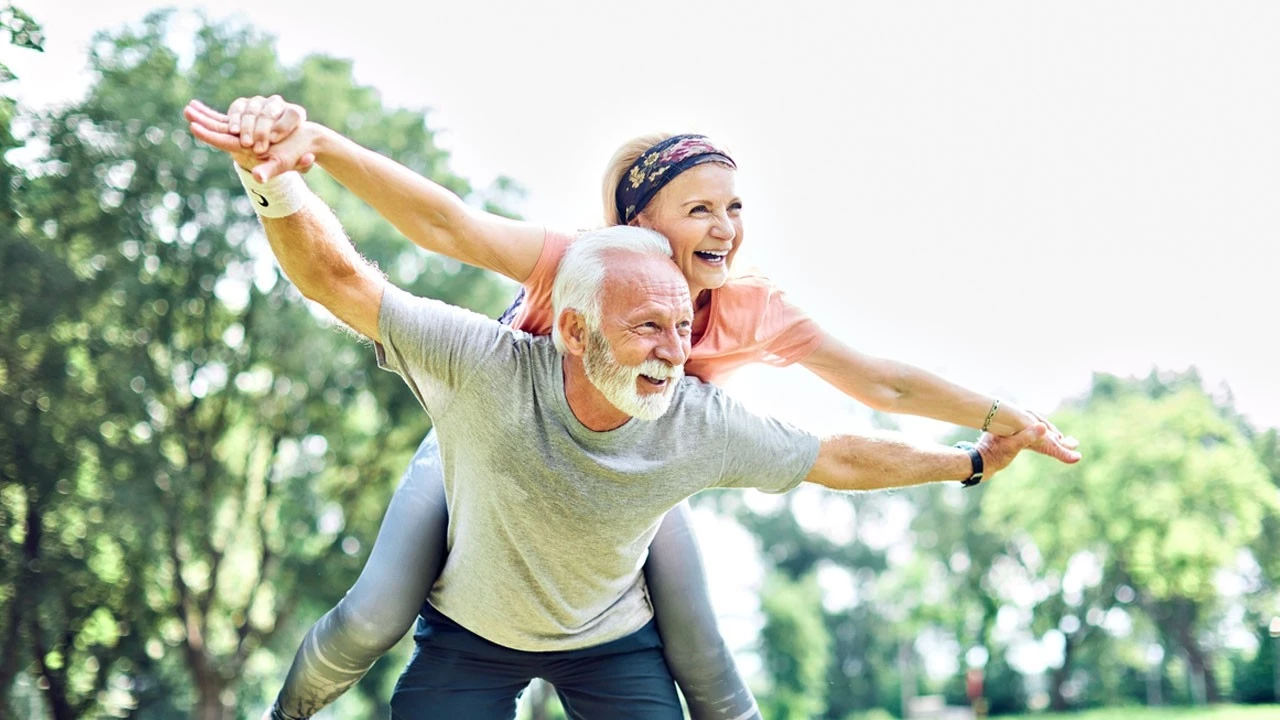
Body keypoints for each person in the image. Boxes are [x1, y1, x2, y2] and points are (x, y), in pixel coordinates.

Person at [185, 97, 1081, 720]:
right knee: (375, 615)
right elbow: (448, 229)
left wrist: (997, 422)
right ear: (641, 221)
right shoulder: (578, 262)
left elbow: (877, 389)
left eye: (736, 206)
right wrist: (318, 150)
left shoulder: (747, 307)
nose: (726, 227)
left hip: (638, 479)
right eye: (701, 208)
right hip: (491, 460)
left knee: (706, 662)